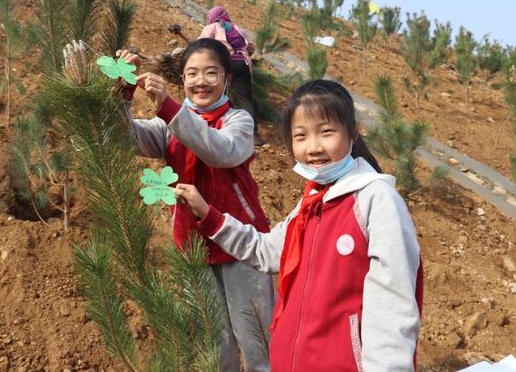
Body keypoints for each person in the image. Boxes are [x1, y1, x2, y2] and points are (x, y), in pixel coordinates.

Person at [175, 79, 424, 372]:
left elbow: (393, 308)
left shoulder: (376, 200)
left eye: (326, 132)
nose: (313, 147)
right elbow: (266, 251)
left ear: (353, 131)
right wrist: (209, 214)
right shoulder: (312, 201)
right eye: (301, 136)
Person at [117, 38, 274, 372]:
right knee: (214, 350)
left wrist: (171, 109)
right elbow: (123, 136)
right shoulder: (168, 126)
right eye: (192, 74)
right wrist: (122, 92)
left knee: (259, 344)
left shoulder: (239, 122)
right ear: (182, 80)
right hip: (193, 251)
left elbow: (218, 150)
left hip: (241, 247)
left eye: (211, 73)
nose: (200, 81)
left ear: (227, 79)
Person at [199, 6, 263, 145]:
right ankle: (254, 136)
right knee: (245, 99)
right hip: (243, 65)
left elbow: (201, 44)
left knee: (218, 96)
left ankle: (217, 129)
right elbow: (250, 47)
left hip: (226, 64)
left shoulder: (212, 27)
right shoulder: (236, 28)